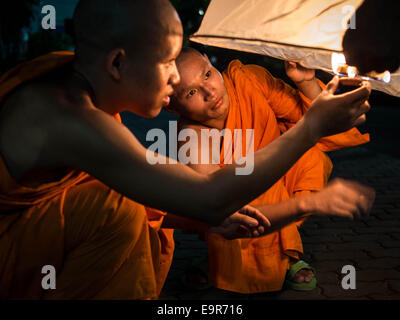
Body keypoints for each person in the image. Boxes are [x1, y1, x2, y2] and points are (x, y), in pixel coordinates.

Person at [0, 0, 374, 299]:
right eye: (167, 63)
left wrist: (203, 215)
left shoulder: (83, 93)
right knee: (118, 208)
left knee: (130, 202)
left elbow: (173, 197)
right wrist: (311, 136)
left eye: (204, 72)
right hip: (11, 252)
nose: (178, 80)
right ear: (117, 63)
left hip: (41, 232)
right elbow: (206, 198)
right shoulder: (71, 116)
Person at [165, 47, 371, 293]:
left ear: (211, 63)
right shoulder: (191, 136)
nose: (209, 92)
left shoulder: (249, 80)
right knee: (230, 205)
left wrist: (305, 82)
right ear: (172, 107)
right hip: (239, 202)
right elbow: (218, 206)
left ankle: (283, 253)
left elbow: (312, 119)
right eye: (190, 92)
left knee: (312, 158)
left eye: (207, 74)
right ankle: (220, 261)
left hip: (277, 176)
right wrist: (311, 202)